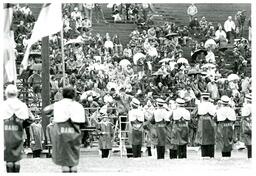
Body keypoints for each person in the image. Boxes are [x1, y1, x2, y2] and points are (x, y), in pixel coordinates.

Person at [43, 87, 85, 173]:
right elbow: (84, 123)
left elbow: (46, 110)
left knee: (64, 162)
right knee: (73, 161)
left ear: (63, 94)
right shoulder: (78, 106)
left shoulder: (58, 104)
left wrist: (55, 107)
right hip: (74, 132)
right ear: (74, 95)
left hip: (61, 132)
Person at [2, 84, 33, 172]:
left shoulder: (3, 105)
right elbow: (31, 119)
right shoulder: (22, 105)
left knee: (9, 159)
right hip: (18, 133)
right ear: (17, 93)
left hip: (6, 133)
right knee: (16, 158)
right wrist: (22, 125)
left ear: (6, 93)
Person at [195, 93, 216, 158]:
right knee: (211, 138)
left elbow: (194, 114)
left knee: (203, 138)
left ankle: (204, 154)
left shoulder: (199, 105)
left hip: (202, 122)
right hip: (211, 123)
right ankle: (211, 155)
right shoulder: (212, 105)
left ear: (202, 98)